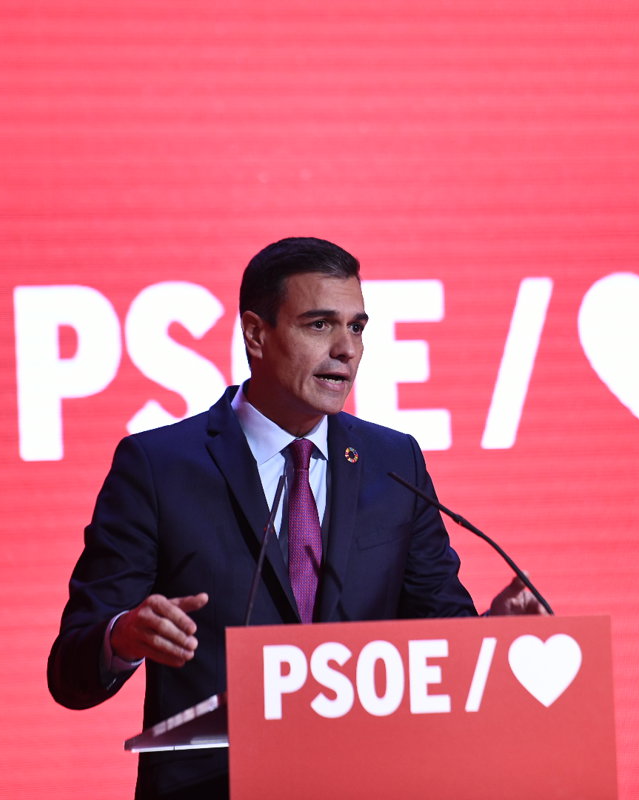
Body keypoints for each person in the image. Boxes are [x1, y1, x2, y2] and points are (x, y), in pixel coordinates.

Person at [48, 237, 544, 798]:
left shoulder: (394, 462)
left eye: (357, 327)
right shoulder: (158, 467)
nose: (346, 349)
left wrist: (491, 639)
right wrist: (123, 637)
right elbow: (70, 672)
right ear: (255, 335)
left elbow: (438, 637)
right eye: (319, 325)